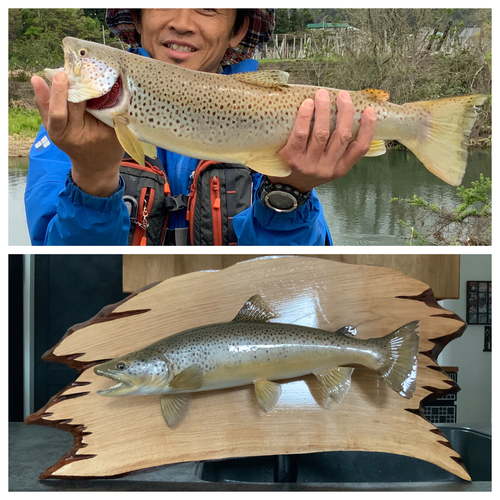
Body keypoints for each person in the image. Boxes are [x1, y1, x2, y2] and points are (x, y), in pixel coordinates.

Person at [26, 9, 376, 246]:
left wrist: (290, 192)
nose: (182, 22)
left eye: (208, 6)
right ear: (137, 16)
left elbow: (293, 280)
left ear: (238, 29)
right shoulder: (67, 130)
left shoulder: (293, 116)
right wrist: (93, 176)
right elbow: (61, 267)